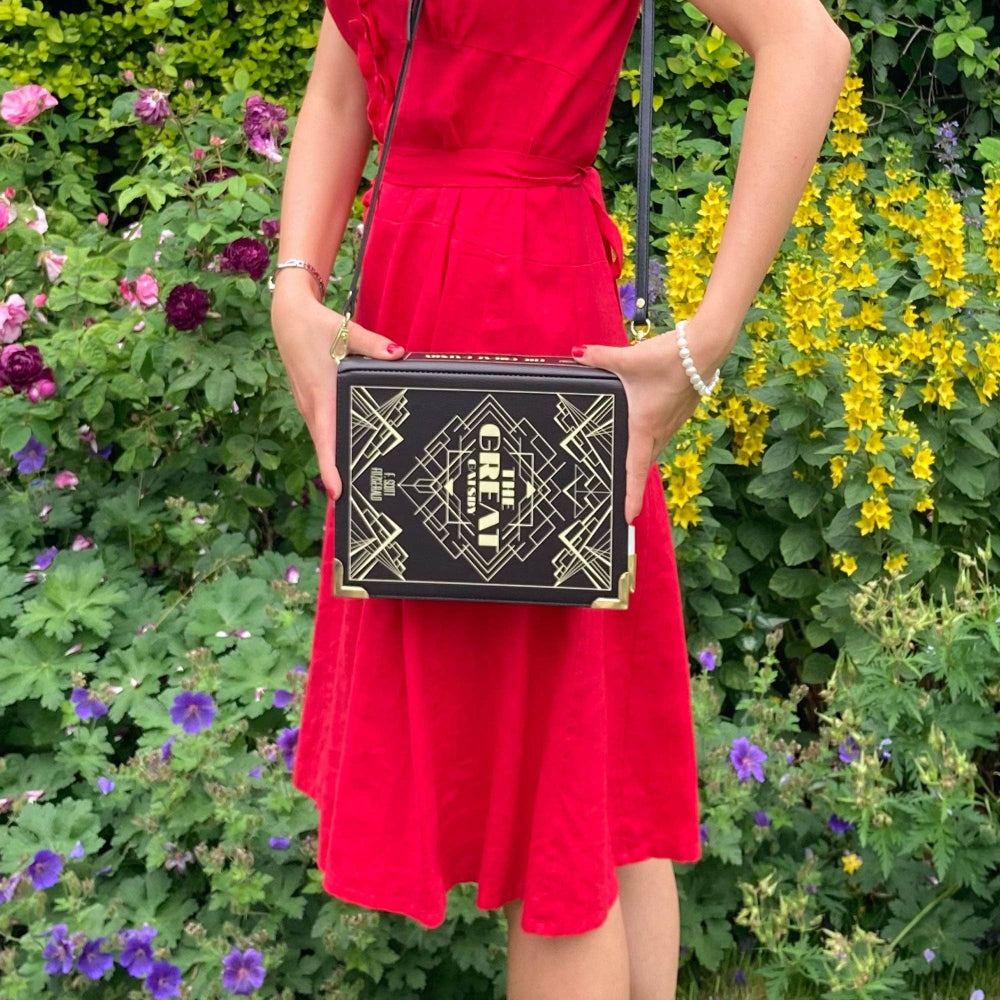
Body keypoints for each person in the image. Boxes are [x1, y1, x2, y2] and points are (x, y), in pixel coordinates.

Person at [269, 0, 850, 996]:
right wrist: (292, 282)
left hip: (524, 319)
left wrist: (701, 341)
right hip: (413, 323)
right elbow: (341, 84)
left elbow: (807, 42)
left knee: (563, 805)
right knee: (594, 764)